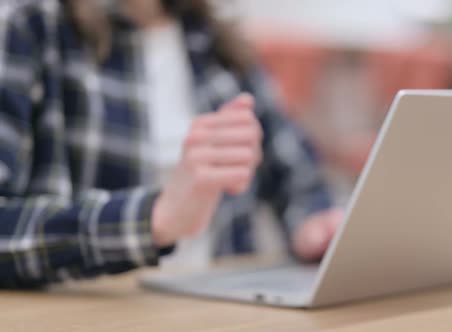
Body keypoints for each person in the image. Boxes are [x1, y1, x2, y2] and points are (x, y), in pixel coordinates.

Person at [0, 0, 342, 288]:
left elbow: (300, 179)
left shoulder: (214, 40)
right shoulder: (29, 27)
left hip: (218, 313)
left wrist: (313, 224)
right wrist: (155, 219)